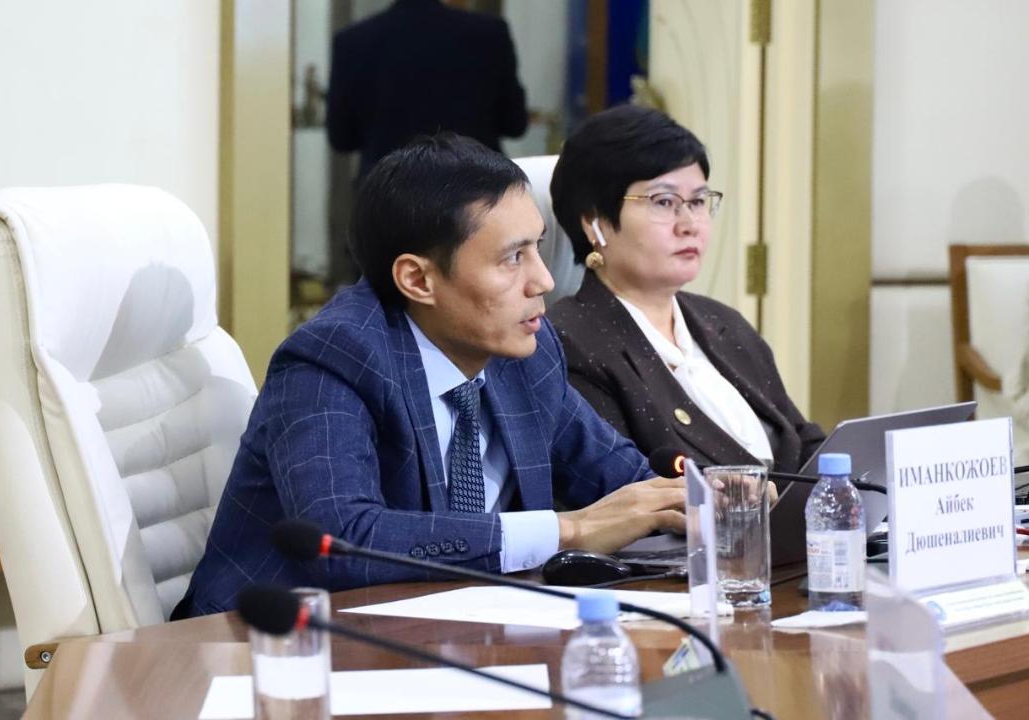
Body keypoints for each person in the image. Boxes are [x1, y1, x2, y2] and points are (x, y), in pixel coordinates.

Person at [173, 134, 686, 617]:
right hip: (271, 644)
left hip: (463, 629)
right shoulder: (332, 358)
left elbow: (625, 480)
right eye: (513, 258)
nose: (544, 280)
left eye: (538, 247)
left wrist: (708, 506)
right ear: (417, 278)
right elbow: (341, 539)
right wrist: (567, 531)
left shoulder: (525, 351)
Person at [547, 105, 825, 474]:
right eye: (664, 202)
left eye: (697, 201)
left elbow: (802, 441)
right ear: (594, 222)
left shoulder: (724, 323)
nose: (690, 224)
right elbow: (620, 486)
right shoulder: (568, 343)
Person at [326, 0, 528, 180]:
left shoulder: (352, 41)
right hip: (477, 189)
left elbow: (341, 138)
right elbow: (514, 124)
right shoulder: (489, 33)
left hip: (387, 192)